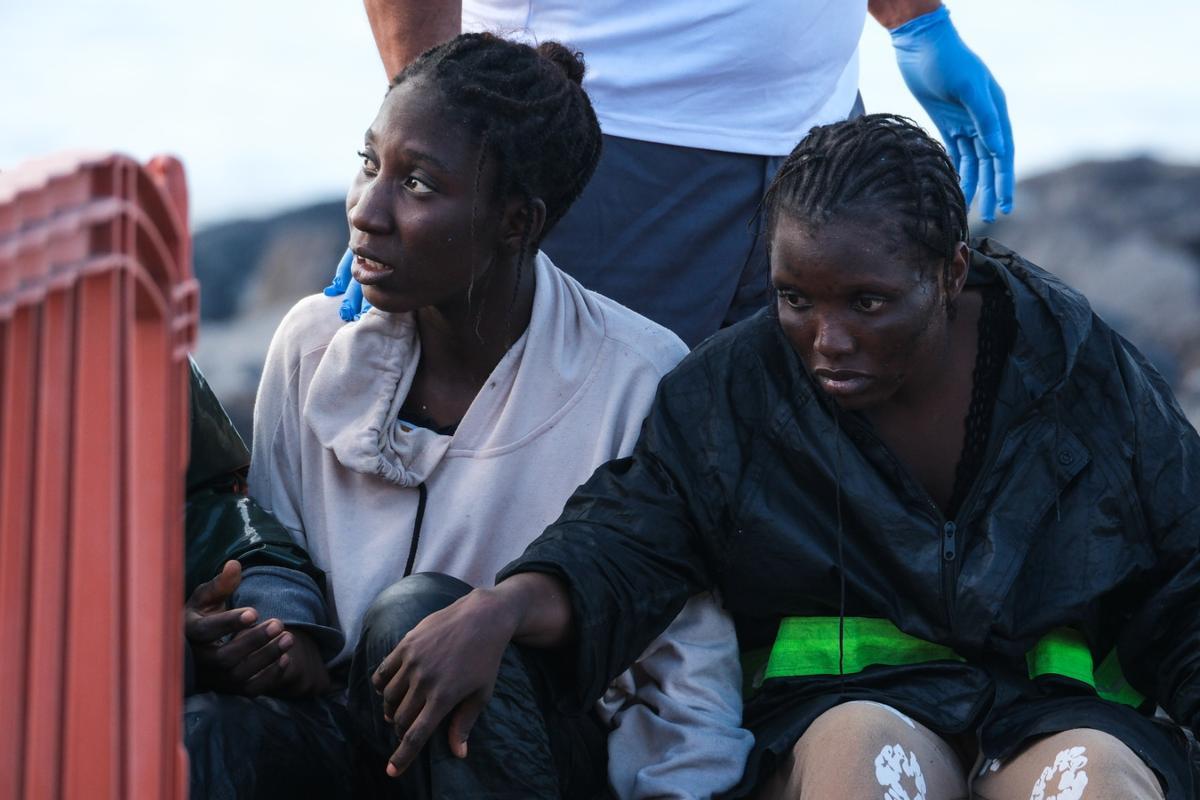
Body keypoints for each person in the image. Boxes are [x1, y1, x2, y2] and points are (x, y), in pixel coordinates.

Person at [374, 115, 1200, 799]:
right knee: (866, 765)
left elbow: (1187, 572)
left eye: (868, 302)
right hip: (840, 712)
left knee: (1092, 782)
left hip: (1056, 714)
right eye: (795, 298)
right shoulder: (734, 389)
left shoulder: (1074, 370)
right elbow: (632, 535)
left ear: (950, 274)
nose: (827, 342)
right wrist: (503, 607)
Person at [226, 32, 752, 799]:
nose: (367, 211)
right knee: (209, 733)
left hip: (536, 758)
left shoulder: (638, 375)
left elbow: (687, 689)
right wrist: (266, 634)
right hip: (341, 735)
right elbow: (277, 557)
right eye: (369, 163)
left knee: (419, 616)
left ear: (516, 223)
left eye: (417, 185)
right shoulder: (312, 343)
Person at [338, 0, 1015, 346]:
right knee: (581, 495)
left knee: (800, 491)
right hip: (604, 143)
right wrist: (423, 152)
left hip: (822, 126)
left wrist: (915, 18)